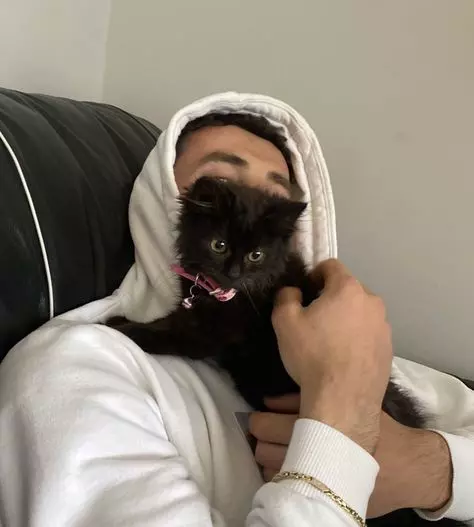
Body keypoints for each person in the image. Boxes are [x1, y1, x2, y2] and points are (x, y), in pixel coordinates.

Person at [0, 92, 472, 527]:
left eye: (276, 195)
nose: (249, 203)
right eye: (221, 180)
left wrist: (427, 470)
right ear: (158, 199)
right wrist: (342, 434)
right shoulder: (78, 367)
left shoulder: (346, 346)